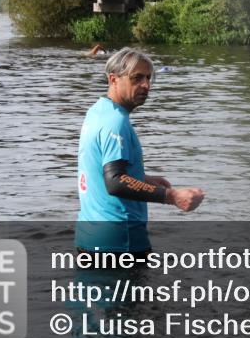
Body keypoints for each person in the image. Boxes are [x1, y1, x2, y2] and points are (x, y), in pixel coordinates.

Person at [75, 48, 206, 254]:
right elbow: (116, 181)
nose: (146, 85)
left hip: (90, 237)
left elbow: (100, 171)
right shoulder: (115, 123)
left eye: (148, 78)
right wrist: (171, 196)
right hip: (120, 243)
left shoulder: (97, 112)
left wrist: (141, 177)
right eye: (137, 78)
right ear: (113, 79)